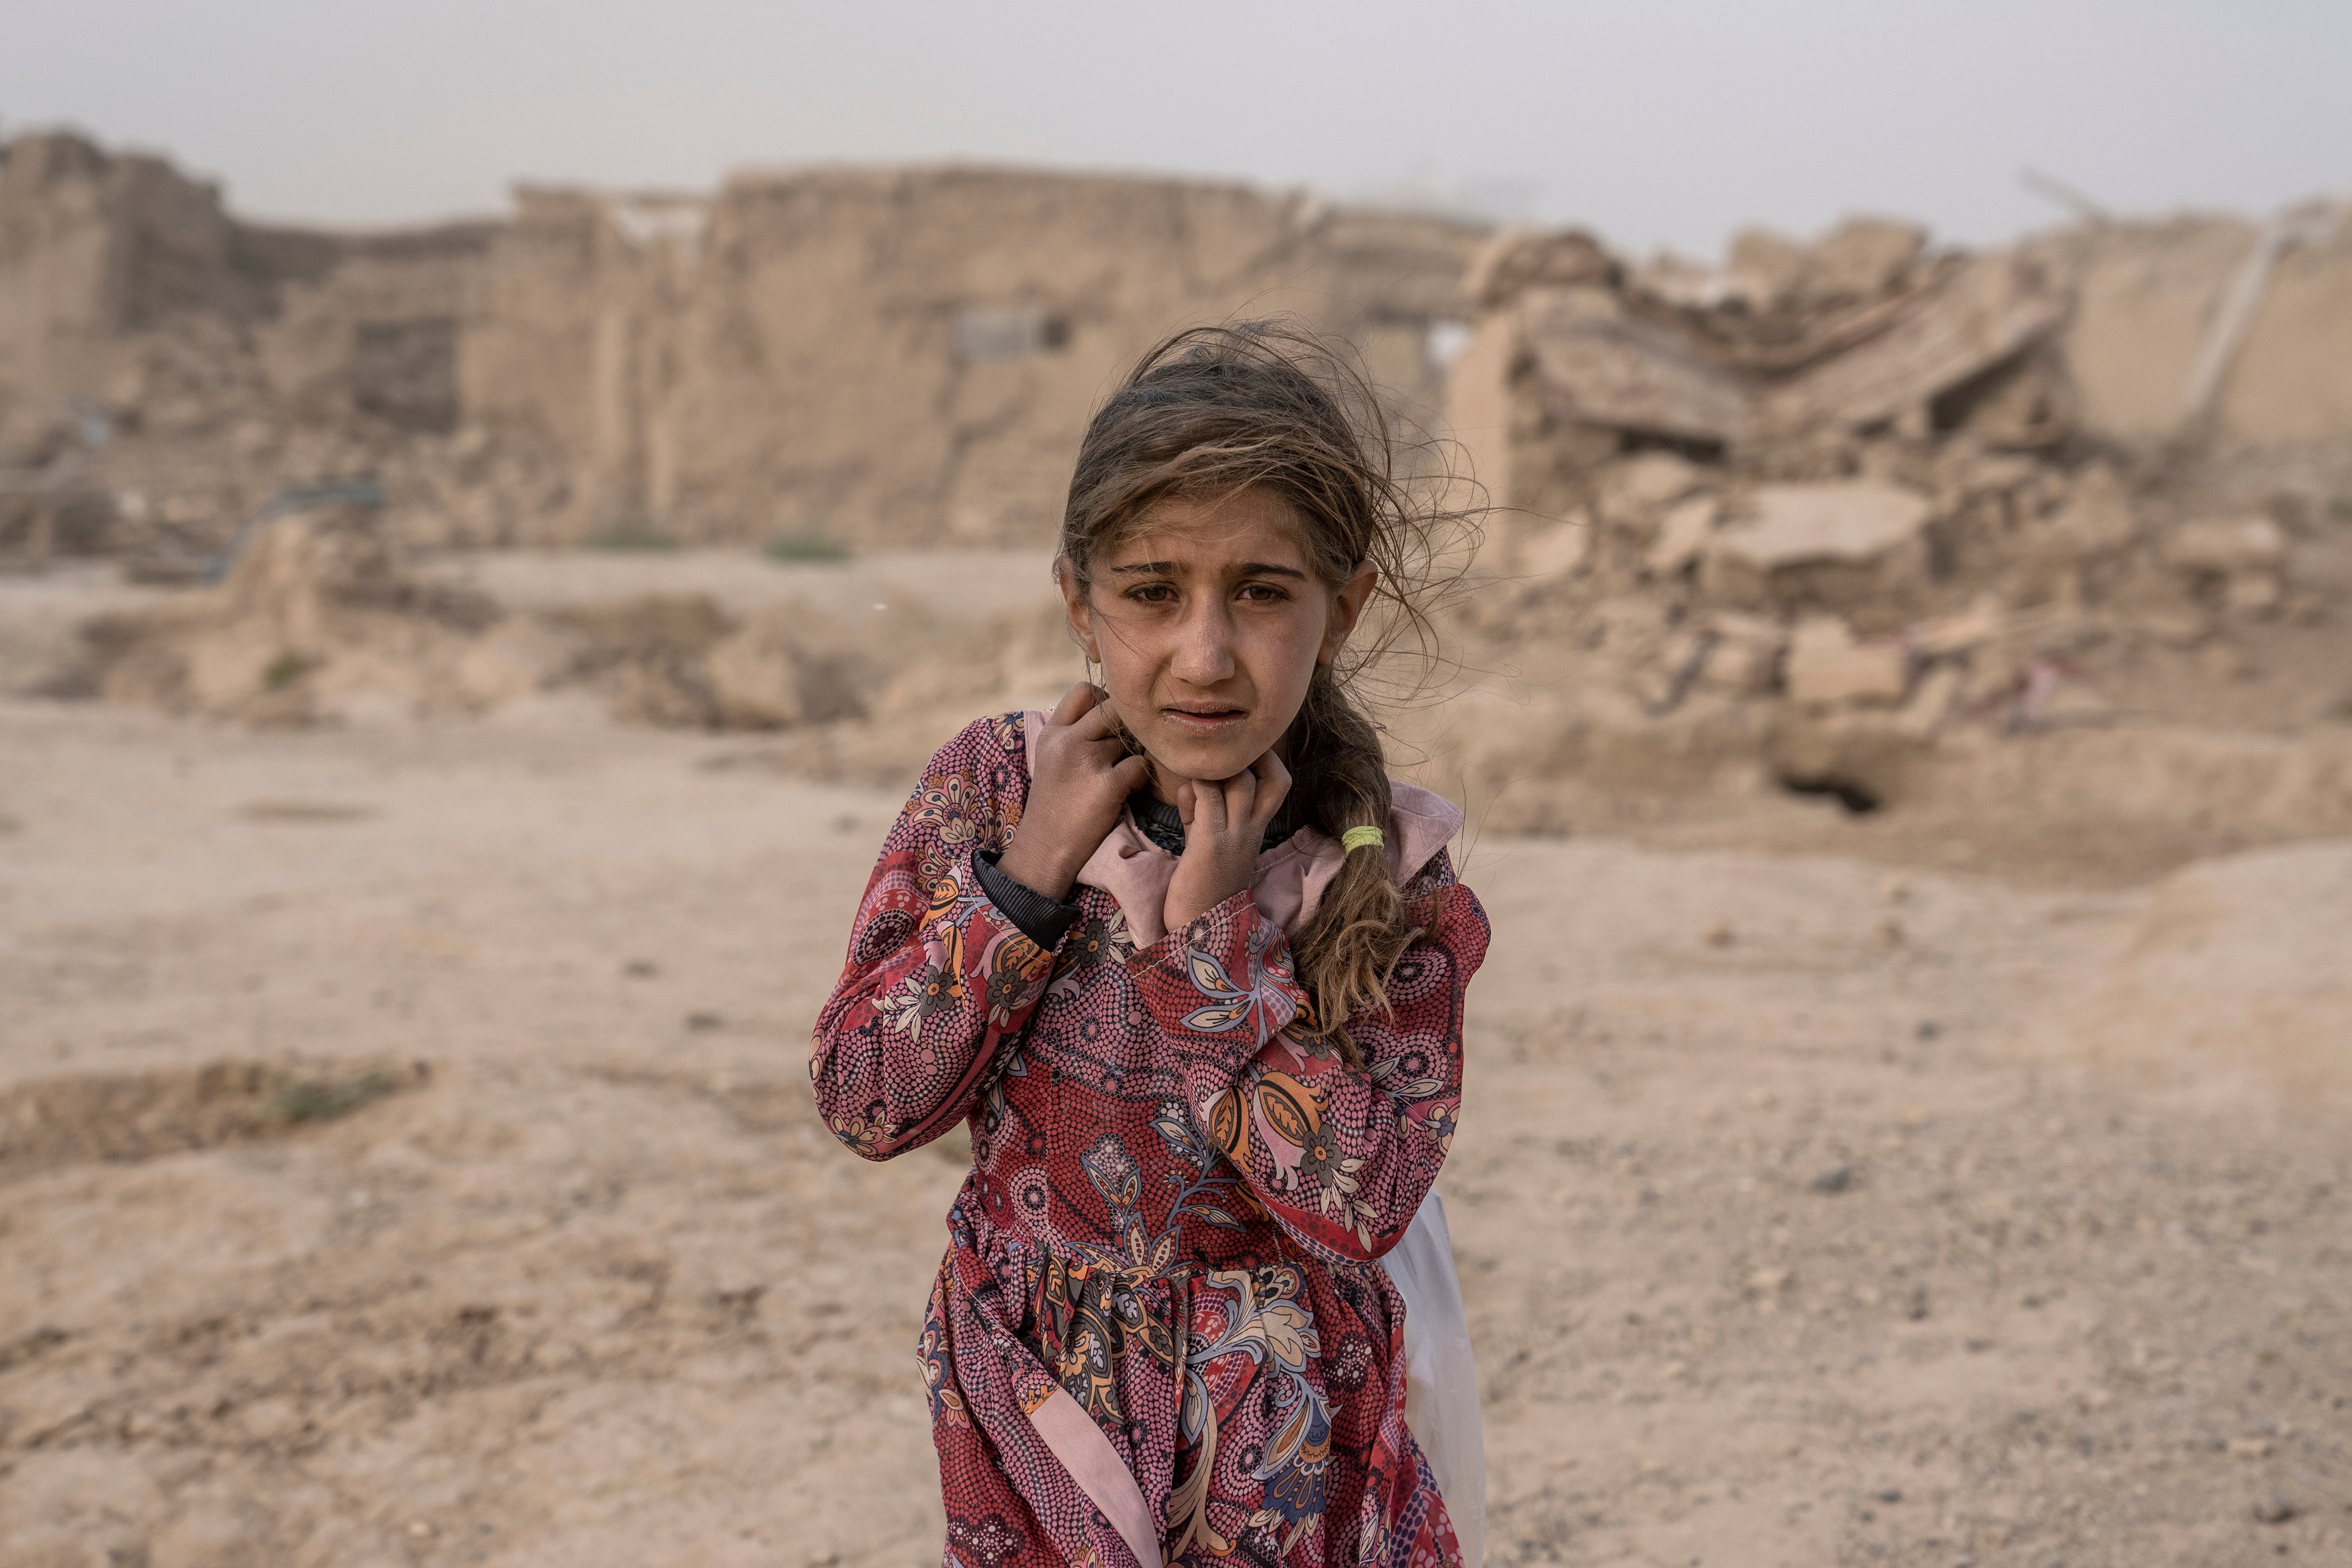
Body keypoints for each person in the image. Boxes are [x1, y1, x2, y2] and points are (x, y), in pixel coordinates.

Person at [811, 324, 1491, 1567]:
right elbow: (866, 1101)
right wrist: (1026, 881)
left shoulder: (1384, 870)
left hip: (1286, 1427)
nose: (1206, 653)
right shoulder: (994, 796)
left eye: (1264, 593)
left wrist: (1212, 961)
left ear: (1341, 612)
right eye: (1151, 591)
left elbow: (1366, 1203)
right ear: (1080, 598)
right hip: (1031, 1392)